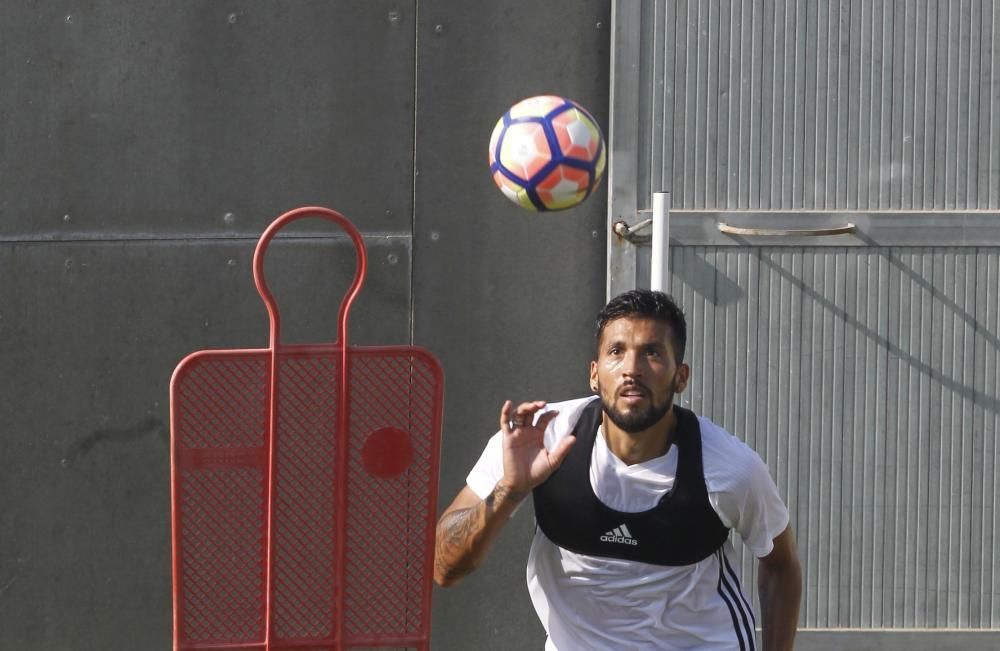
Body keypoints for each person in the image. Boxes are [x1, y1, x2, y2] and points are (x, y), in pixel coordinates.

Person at [434, 289, 802, 650]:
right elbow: (443, 568)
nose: (632, 369)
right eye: (616, 352)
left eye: (652, 353)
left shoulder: (729, 469)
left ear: (681, 376)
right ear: (594, 374)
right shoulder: (536, 441)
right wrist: (511, 489)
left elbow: (781, 566)